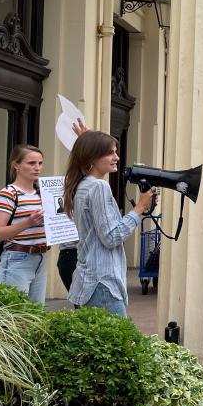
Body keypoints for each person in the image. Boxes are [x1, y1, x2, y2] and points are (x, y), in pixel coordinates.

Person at [62, 131, 154, 316]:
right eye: (110, 153)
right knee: (121, 344)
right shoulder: (98, 186)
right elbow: (111, 237)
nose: (117, 157)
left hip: (90, 280)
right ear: (92, 157)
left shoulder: (83, 185)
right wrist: (139, 208)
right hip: (102, 283)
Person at [0, 145, 48, 303]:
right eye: (31, 163)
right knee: (14, 314)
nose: (37, 168)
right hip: (17, 258)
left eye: (40, 163)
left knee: (35, 315)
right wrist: (28, 222)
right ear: (16, 165)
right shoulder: (8, 194)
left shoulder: (42, 194)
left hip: (41, 257)